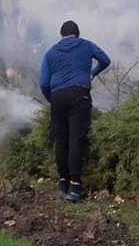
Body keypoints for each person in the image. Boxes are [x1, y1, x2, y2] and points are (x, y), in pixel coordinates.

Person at [39, 20, 111, 203]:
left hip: (57, 97)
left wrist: (52, 99)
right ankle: (75, 188)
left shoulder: (50, 53)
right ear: (77, 33)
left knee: (61, 140)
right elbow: (105, 60)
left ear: (61, 35)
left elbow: (43, 83)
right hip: (79, 94)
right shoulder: (86, 45)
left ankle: (62, 183)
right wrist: (92, 73)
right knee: (76, 140)